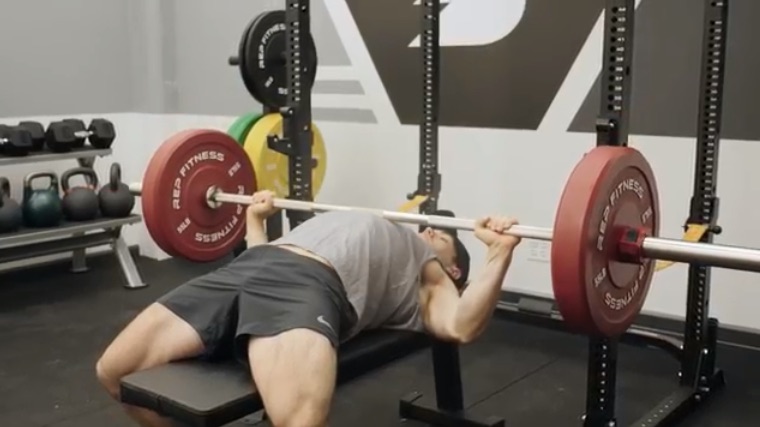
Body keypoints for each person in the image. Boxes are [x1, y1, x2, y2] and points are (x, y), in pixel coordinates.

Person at [95, 190, 522, 427]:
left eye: (442, 237)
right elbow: (262, 260)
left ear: (454, 269)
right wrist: (256, 219)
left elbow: (461, 325)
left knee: (299, 422)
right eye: (430, 228)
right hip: (250, 268)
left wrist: (499, 253)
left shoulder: (430, 276)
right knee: (115, 372)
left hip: (310, 283)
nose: (430, 230)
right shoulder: (393, 229)